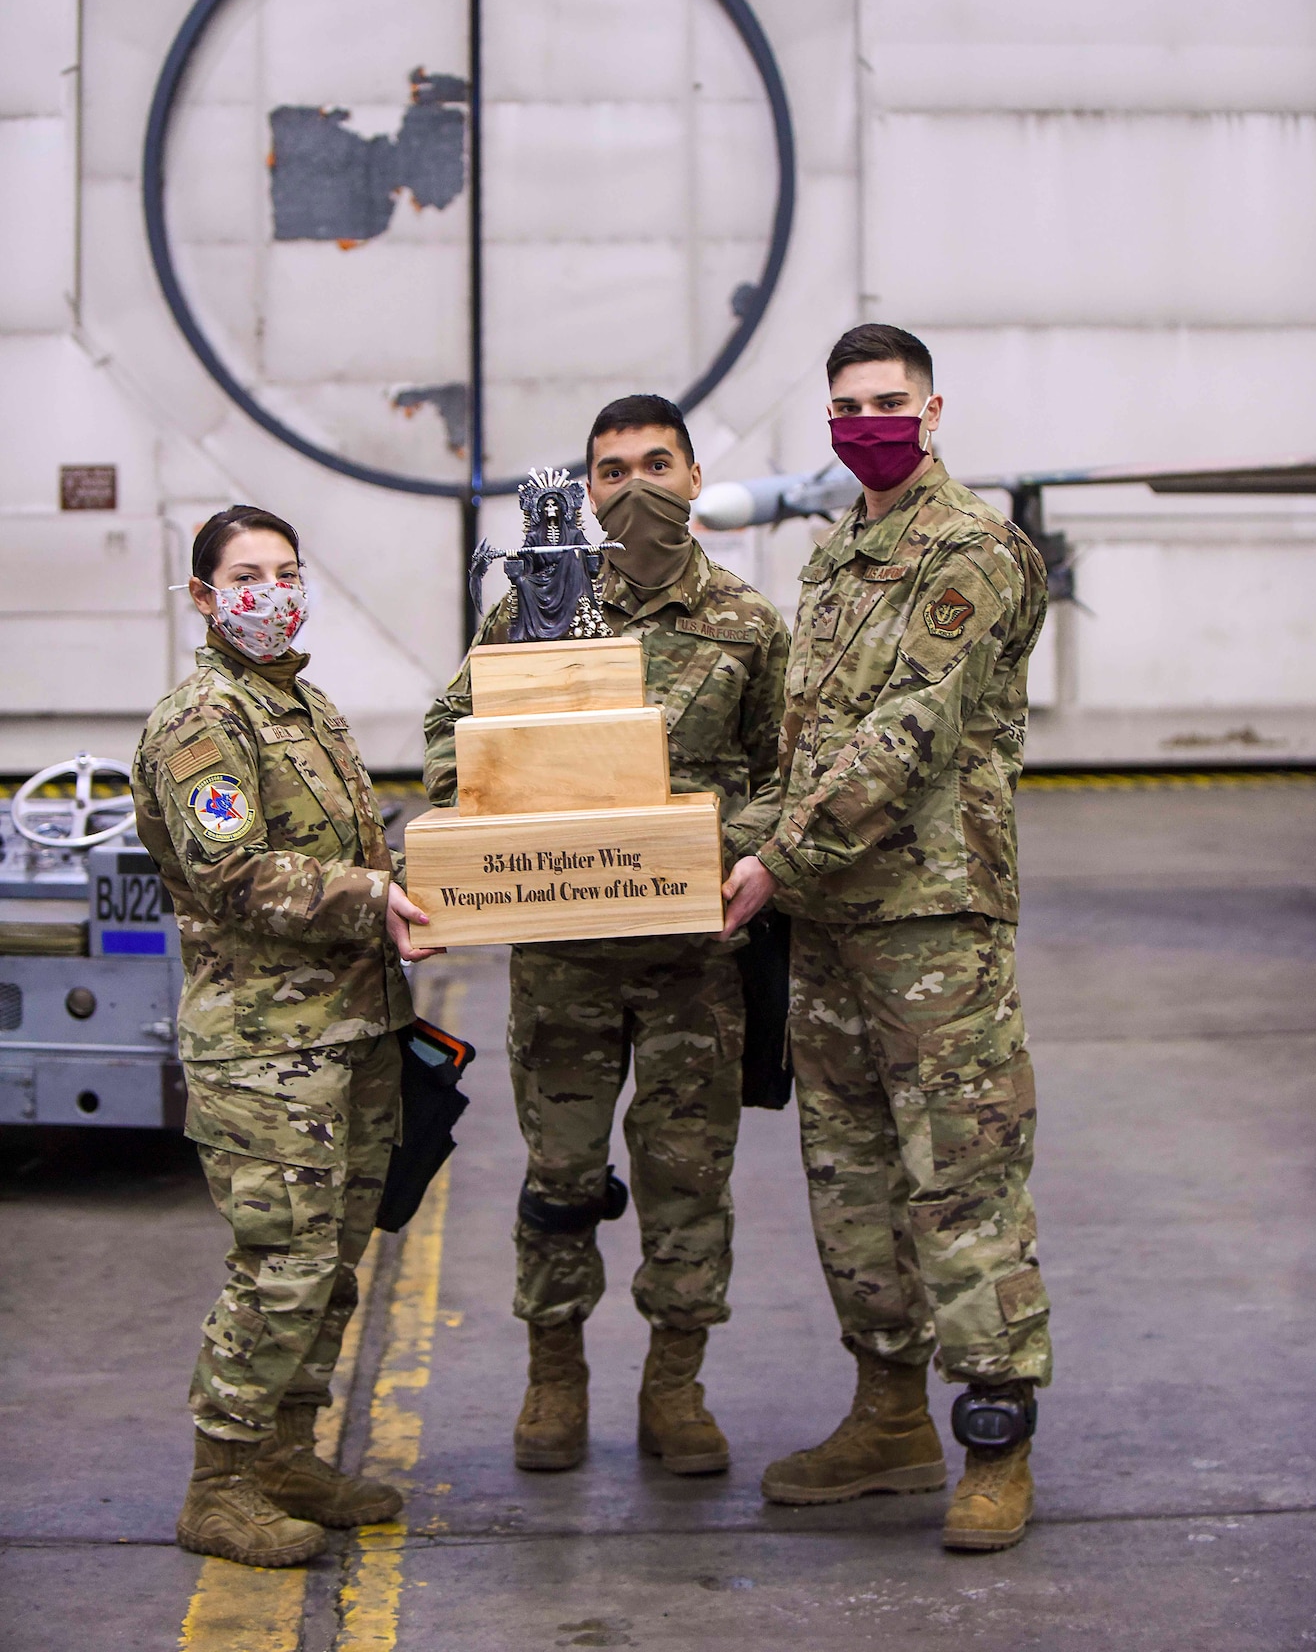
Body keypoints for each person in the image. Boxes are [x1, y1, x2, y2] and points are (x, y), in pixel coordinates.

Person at [721, 325, 1052, 1553]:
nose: (868, 419)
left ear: (933, 407)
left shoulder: (972, 551)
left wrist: (770, 861)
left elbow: (904, 736)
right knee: (850, 1179)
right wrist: (712, 848)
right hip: (830, 927)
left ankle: (996, 1436)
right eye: (848, 404)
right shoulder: (833, 562)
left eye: (889, 400)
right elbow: (806, 750)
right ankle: (887, 1414)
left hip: (933, 919)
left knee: (960, 1174)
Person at [424, 396, 789, 1476]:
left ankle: (675, 1384)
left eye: (654, 464)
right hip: (564, 955)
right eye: (609, 470)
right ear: (584, 490)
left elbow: (784, 771)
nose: (631, 486)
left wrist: (745, 853)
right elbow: (451, 733)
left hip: (694, 959)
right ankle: (555, 1373)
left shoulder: (747, 622)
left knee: (687, 1177)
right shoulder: (535, 606)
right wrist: (496, 806)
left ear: (693, 475)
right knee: (560, 1174)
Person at [132, 504, 430, 1568]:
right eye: (247, 575)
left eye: (288, 570)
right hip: (264, 1048)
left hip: (349, 1031)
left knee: (335, 1262)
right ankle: (218, 1484)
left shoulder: (306, 708)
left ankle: (287, 1454)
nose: (273, 590)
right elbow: (235, 871)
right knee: (280, 1264)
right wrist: (379, 894)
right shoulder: (202, 723)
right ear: (206, 597)